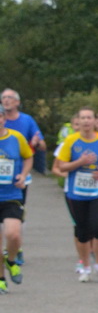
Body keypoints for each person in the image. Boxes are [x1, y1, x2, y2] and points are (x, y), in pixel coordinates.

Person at [53, 108, 98, 283]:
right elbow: (61, 166)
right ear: (78, 122)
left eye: (89, 118)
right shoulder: (71, 140)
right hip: (77, 193)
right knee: (82, 232)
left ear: (95, 121)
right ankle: (86, 266)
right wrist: (80, 162)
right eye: (83, 118)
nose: (86, 121)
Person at [1, 89, 44, 272]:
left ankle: (14, 252)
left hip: (14, 187)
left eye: (10, 97)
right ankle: (2, 278)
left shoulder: (23, 125)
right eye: (4, 97)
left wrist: (24, 174)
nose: (7, 100)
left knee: (13, 229)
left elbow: (36, 149)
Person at [0, 119, 29, 292]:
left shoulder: (16, 137)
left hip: (12, 195)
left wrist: (23, 175)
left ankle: (11, 260)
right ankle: (1, 279)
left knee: (13, 234)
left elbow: (29, 157)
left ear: (3, 118)